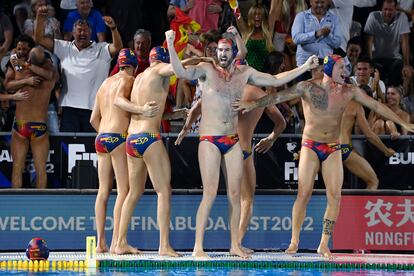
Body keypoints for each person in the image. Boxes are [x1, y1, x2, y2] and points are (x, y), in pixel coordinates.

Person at [233, 54, 414, 258]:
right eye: (340, 68)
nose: (345, 72)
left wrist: (403, 122)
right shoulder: (307, 87)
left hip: (333, 147)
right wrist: (253, 105)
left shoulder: (349, 91)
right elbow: (277, 97)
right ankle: (294, 241)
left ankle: (324, 243)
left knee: (335, 196)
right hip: (310, 145)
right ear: (329, 70)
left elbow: (377, 106)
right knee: (304, 193)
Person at [166, 29, 319, 258]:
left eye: (227, 50)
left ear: (233, 52)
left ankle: (235, 245)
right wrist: (170, 43)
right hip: (209, 139)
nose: (224, 54)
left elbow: (275, 79)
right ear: (216, 53)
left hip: (232, 140)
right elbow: (179, 72)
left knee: (236, 195)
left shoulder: (244, 73)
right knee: (209, 193)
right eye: (220, 50)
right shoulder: (207, 71)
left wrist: (305, 67)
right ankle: (198, 246)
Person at [114, 46, 181, 256]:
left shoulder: (140, 78)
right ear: (161, 61)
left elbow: (152, 111)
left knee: (133, 193)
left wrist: (177, 114)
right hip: (150, 138)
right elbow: (178, 70)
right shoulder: (159, 70)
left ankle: (120, 242)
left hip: (132, 140)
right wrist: (196, 59)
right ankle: (164, 245)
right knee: (164, 191)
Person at [35, 5, 122, 132]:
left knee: (92, 149)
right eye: (79, 30)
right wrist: (40, 18)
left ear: (91, 33)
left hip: (95, 109)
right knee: (68, 148)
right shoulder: (64, 48)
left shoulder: (102, 49)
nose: (82, 33)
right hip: (69, 109)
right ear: (73, 33)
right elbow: (39, 39)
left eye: (85, 31)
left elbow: (118, 47)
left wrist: (113, 29)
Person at [90, 49, 142, 253]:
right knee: (124, 191)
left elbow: (93, 119)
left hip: (100, 138)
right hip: (118, 138)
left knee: (103, 191)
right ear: (134, 67)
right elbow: (122, 101)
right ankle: (117, 243)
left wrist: (105, 134)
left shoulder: (104, 84)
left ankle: (100, 243)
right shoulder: (129, 80)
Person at [6, 47, 58, 188]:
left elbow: (8, 84)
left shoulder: (21, 74)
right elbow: (50, 71)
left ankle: (15, 207)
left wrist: (22, 64)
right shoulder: (50, 78)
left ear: (29, 59)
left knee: (17, 169)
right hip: (39, 127)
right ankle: (40, 208)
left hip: (21, 126)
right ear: (46, 62)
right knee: (41, 171)